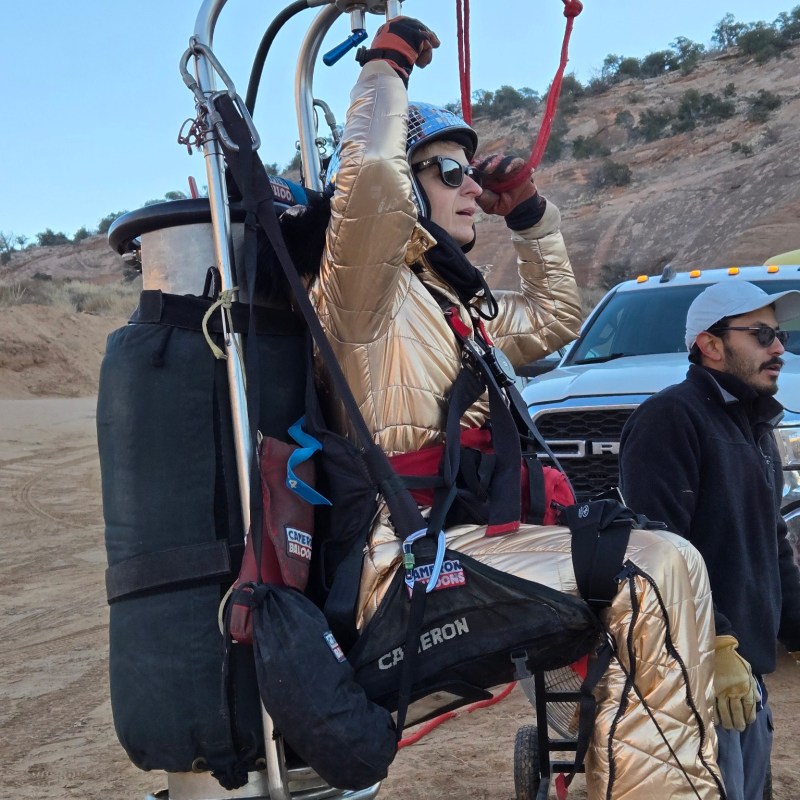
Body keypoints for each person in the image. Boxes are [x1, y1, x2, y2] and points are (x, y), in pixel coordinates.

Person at [311, 16, 722, 799]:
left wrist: (531, 218)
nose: (471, 186)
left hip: (465, 542)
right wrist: (384, 67)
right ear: (406, 186)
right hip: (404, 564)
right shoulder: (364, 294)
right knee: (655, 570)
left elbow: (558, 315)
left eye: (470, 173)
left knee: (664, 561)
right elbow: (367, 182)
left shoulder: (450, 302)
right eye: (448, 171)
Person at [619, 280, 800, 800]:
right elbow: (657, 550)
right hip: (692, 681)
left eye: (781, 335)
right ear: (711, 345)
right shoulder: (670, 419)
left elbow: (771, 542)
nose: (778, 348)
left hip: (744, 677)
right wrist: (715, 644)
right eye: (761, 334)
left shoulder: (754, 425)